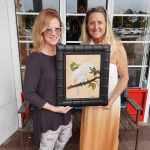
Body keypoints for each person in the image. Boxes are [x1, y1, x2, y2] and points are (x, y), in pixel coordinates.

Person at [79, 6, 129, 150]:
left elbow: (124, 77)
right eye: (91, 23)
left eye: (100, 22)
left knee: (107, 140)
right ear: (87, 26)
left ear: (106, 24)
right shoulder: (84, 47)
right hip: (90, 104)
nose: (96, 27)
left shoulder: (117, 47)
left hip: (110, 103)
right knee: (90, 140)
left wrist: (111, 100)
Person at [23, 8, 72, 150]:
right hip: (48, 118)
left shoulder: (64, 52)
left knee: (61, 146)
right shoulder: (35, 58)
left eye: (57, 28)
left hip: (66, 115)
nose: (54, 33)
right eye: (49, 29)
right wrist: (55, 109)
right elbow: (29, 93)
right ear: (41, 31)